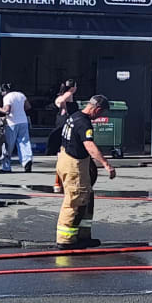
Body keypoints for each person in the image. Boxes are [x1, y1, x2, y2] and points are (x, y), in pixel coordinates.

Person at [56, 95, 116, 249]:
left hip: (66, 159)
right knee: (75, 201)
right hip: (73, 165)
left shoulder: (74, 117)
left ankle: (83, 236)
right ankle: (65, 239)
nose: (100, 117)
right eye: (101, 113)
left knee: (86, 199)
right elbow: (89, 145)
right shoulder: (84, 123)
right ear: (97, 109)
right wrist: (106, 164)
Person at [0, 83, 33, 173]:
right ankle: (27, 161)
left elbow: (6, 111)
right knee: (24, 142)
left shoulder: (7, 97)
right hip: (23, 122)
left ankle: (6, 166)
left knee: (8, 145)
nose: (1, 94)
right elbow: (28, 106)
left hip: (12, 123)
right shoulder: (21, 95)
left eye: (1, 92)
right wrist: (19, 110)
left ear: (3, 91)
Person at [51, 79, 78, 193]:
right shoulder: (66, 96)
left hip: (67, 125)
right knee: (64, 153)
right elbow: (60, 101)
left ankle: (63, 181)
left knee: (66, 154)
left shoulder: (67, 97)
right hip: (66, 127)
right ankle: (59, 181)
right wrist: (69, 93)